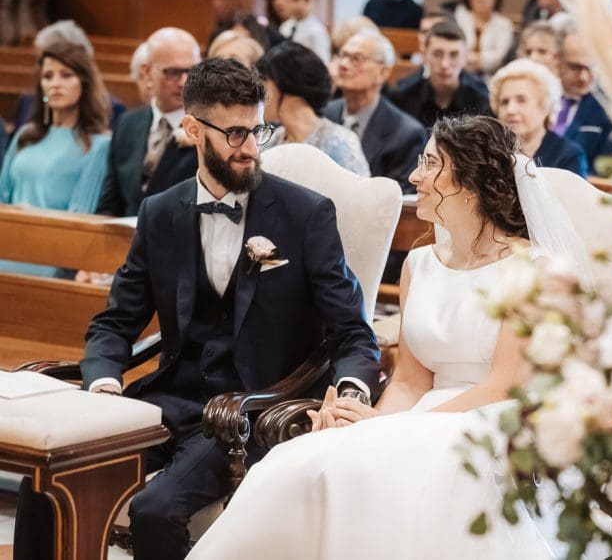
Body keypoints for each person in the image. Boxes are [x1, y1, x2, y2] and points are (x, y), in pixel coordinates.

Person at [13, 57, 381, 560]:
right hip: (168, 398)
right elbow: (116, 321)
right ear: (192, 129)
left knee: (155, 509)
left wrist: (352, 390)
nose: (251, 148)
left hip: (250, 409)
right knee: (47, 478)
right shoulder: (160, 211)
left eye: (258, 131)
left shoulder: (306, 214)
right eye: (235, 134)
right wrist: (102, 386)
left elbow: (352, 332)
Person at [189, 116, 557, 560]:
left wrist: (390, 429)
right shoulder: (419, 264)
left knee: (390, 474)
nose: (414, 176)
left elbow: (503, 385)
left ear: (469, 183)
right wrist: (363, 419)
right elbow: (409, 382)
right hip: (422, 412)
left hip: (490, 420)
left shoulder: (530, 269)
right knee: (300, 462)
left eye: (430, 164)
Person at [0, 42, 111, 277]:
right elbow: (2, 194)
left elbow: (81, 216)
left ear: (84, 82)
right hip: (7, 243)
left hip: (52, 255)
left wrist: (30, 216)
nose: (55, 83)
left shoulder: (99, 144)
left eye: (66, 75)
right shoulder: (26, 134)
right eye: (48, 76)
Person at [96, 27, 201, 217]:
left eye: (192, 71)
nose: (184, 82)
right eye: (173, 72)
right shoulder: (127, 124)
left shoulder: (206, 128)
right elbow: (111, 201)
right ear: (147, 72)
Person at [322, 28, 426, 192]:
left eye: (356, 59)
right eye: (343, 56)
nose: (343, 65)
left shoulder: (407, 135)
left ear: (383, 72)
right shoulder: (323, 114)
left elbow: (398, 201)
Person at [255, 42, 370, 176]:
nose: (259, 92)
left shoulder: (339, 142)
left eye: (264, 82)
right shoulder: (271, 140)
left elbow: (359, 195)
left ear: (289, 87)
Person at [491, 58, 587, 176]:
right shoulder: (490, 152)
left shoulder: (568, 155)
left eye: (521, 100)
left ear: (546, 106)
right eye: (504, 102)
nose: (510, 110)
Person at [388, 20, 491, 128]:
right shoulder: (403, 96)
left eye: (454, 55)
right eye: (437, 54)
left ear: (465, 58)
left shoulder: (481, 100)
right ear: (425, 55)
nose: (445, 65)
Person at [554, 24, 612, 171]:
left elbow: (607, 170)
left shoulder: (610, 110)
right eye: (575, 68)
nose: (584, 77)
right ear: (558, 61)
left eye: (591, 68)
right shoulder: (541, 97)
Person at [454, 0, 514, 77]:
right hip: (460, 72)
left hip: (492, 75)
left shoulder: (503, 24)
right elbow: (455, 46)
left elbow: (499, 55)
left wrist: (477, 60)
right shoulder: (460, 19)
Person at [280, 0, 332, 64]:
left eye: (306, 0)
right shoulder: (285, 27)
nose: (300, 5)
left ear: (316, 3)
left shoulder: (317, 31)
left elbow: (323, 62)